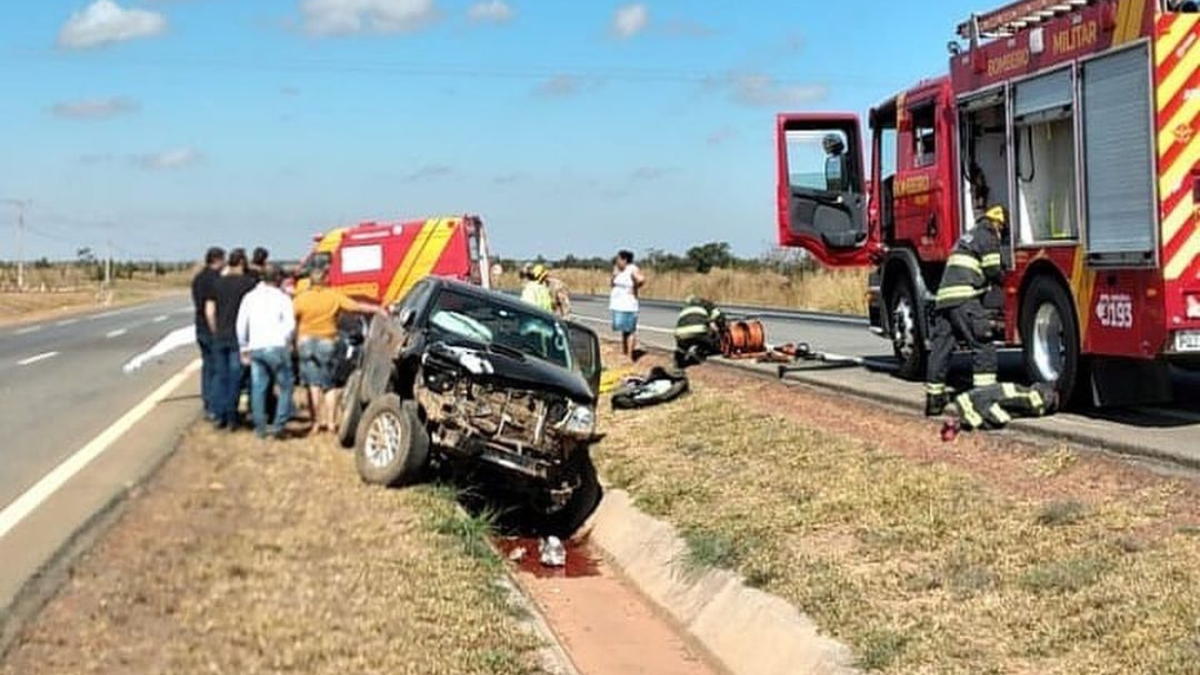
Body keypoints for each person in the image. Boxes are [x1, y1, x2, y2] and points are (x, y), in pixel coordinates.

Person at [925, 205, 1007, 416]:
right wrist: (1006, 277)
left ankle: (934, 400)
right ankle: (983, 401)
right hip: (965, 298)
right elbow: (993, 270)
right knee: (983, 345)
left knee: (941, 349)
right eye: (1002, 229)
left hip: (944, 301)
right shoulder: (988, 237)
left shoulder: (967, 237)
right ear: (997, 224)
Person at [293, 265, 382, 435]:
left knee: (313, 385)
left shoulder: (301, 298)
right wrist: (377, 309)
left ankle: (316, 423)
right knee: (329, 385)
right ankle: (332, 423)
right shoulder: (333, 296)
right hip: (327, 341)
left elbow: (292, 318)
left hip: (305, 341)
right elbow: (355, 307)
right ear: (325, 279)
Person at [236, 264, 295, 439]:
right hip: (277, 345)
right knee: (285, 386)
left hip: (256, 346)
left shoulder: (249, 297)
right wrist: (286, 340)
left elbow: (241, 324)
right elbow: (290, 324)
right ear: (277, 278)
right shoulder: (283, 298)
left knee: (258, 388)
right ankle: (279, 425)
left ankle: (260, 427)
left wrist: (243, 346)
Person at [205, 248, 257, 429]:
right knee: (236, 377)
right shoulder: (249, 284)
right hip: (239, 337)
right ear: (242, 263)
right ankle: (232, 416)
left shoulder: (217, 283)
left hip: (221, 334)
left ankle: (219, 415)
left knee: (221, 376)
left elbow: (209, 311)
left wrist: (215, 331)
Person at [191, 247, 225, 420]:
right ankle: (214, 404)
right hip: (211, 326)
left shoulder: (198, 278)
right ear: (217, 260)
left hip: (199, 326)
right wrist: (216, 330)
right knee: (217, 367)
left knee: (207, 366)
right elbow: (210, 308)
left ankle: (207, 401)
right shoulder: (215, 280)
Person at [610, 250, 645, 363]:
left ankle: (630, 356)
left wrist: (635, 286)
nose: (617, 261)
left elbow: (641, 279)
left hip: (628, 305)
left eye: (618, 259)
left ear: (624, 260)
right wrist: (614, 275)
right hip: (618, 304)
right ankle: (625, 353)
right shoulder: (617, 269)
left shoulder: (632, 269)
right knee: (623, 330)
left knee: (629, 330)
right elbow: (612, 283)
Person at [674, 295, 725, 368]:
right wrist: (721, 330)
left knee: (681, 352)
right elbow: (719, 318)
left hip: (680, 334)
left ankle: (678, 367)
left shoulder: (685, 309)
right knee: (719, 347)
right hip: (699, 332)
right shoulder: (706, 305)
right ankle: (697, 355)